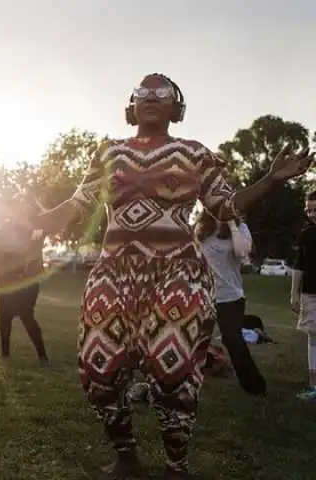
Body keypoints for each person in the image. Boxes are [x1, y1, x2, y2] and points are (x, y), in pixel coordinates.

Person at [35, 73, 312, 479]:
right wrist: (27, 217)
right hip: (113, 276)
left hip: (178, 275)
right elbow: (76, 205)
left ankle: (176, 466)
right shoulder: (108, 153)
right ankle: (126, 456)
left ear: (176, 108)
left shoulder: (195, 154)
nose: (151, 97)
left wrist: (270, 179)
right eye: (142, 93)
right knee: (99, 370)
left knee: (173, 374)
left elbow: (226, 206)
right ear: (131, 107)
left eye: (162, 93)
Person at [195, 210, 266, 394]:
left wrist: (232, 224)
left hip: (230, 296)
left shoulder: (240, 228)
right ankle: (190, 380)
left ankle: (255, 387)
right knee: (195, 338)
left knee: (232, 339)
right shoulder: (202, 228)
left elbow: (242, 252)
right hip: (202, 295)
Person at [0, 194, 49, 364]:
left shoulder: (37, 227)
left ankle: (42, 356)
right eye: (15, 205)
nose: (18, 209)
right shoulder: (7, 226)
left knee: (26, 315)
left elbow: (50, 221)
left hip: (27, 279)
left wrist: (38, 230)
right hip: (4, 277)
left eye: (22, 205)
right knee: (4, 316)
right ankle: (5, 354)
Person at [291, 190, 316, 400]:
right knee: (313, 337)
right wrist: (294, 294)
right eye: (309, 210)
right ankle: (313, 385)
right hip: (310, 293)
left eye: (315, 210)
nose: (312, 214)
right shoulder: (306, 235)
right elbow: (298, 266)